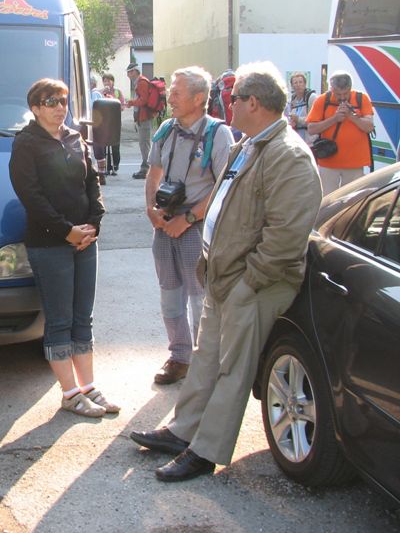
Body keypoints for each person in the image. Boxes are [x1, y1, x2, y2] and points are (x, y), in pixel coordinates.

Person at [130, 61, 322, 482]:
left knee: (233, 367)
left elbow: (286, 236)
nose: (227, 104)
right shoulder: (247, 144)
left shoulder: (288, 156)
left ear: (253, 103)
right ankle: (183, 431)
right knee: (206, 358)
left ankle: (205, 450)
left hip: (254, 282)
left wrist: (249, 282)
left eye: (233, 98)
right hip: (225, 274)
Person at [9, 78, 119, 418]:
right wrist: (65, 231)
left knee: (82, 317)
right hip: (49, 243)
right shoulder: (26, 144)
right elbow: (32, 198)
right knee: (59, 320)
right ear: (36, 108)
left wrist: (93, 226)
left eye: (63, 100)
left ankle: (88, 387)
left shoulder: (76, 139)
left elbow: (93, 186)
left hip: (85, 241)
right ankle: (70, 394)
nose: (59, 106)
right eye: (51, 101)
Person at [144, 66, 234, 385]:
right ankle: (179, 357)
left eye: (176, 91)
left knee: (200, 298)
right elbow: (154, 174)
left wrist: (189, 218)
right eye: (171, 89)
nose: (170, 96)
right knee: (170, 295)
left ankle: (206, 361)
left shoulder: (218, 134)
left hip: (195, 227)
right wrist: (152, 210)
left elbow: (225, 185)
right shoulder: (166, 129)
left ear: (198, 98)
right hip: (164, 225)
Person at [306, 70, 374, 196]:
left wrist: (351, 116)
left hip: (355, 163)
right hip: (328, 162)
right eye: (338, 94)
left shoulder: (361, 98)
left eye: (346, 93)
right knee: (327, 200)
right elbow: (311, 129)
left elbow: (369, 127)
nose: (342, 97)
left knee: (352, 201)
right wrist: (334, 119)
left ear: (350, 89)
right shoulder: (322, 100)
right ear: (331, 89)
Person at [127, 64, 154, 179]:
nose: (128, 75)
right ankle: (146, 167)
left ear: (135, 71)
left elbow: (143, 100)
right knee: (144, 143)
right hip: (142, 117)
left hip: (145, 117)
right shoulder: (140, 82)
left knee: (144, 143)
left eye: (130, 72)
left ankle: (146, 169)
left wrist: (132, 102)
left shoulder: (142, 82)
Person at [285, 72, 317, 145]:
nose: (298, 85)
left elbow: (314, 121)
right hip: (296, 141)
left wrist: (298, 119)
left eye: (300, 82)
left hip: (310, 142)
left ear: (305, 84)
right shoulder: (291, 101)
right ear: (292, 86)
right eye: (295, 83)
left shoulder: (312, 98)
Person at [102, 73, 124, 176]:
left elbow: (122, 106)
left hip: (115, 121)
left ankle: (115, 165)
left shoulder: (117, 92)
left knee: (115, 144)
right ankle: (107, 167)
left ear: (113, 81)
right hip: (105, 122)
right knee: (105, 145)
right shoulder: (101, 92)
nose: (107, 83)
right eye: (105, 81)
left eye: (109, 80)